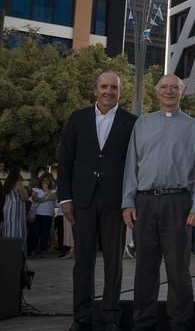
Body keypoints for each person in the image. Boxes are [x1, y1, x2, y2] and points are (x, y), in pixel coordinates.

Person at [121, 74, 195, 331]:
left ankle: (179, 322)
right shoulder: (142, 124)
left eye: (174, 88)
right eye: (164, 87)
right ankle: (143, 321)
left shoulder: (194, 127)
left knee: (178, 268)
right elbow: (130, 167)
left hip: (178, 204)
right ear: (157, 92)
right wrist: (128, 201)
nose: (169, 91)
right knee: (145, 268)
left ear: (182, 92)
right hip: (145, 203)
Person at [57, 69, 137, 331]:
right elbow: (66, 160)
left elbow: (135, 165)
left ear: (120, 91)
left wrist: (130, 201)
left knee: (114, 262)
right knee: (83, 261)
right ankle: (82, 316)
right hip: (83, 200)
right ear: (95, 90)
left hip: (116, 203)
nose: (108, 92)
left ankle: (111, 315)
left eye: (113, 87)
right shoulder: (78, 119)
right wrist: (65, 199)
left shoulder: (131, 122)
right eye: (104, 87)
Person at [2, 169, 29, 253]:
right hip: (16, 208)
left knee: (9, 228)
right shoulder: (18, 183)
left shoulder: (7, 184)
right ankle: (18, 252)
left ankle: (8, 251)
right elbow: (25, 197)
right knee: (17, 229)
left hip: (7, 208)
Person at [31, 174, 57, 257]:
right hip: (37, 214)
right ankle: (33, 250)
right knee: (35, 233)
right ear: (40, 181)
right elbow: (34, 198)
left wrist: (42, 198)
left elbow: (52, 197)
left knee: (45, 233)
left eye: (47, 180)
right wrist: (45, 197)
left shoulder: (53, 190)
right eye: (43, 180)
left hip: (48, 215)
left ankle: (43, 251)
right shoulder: (36, 189)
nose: (45, 182)